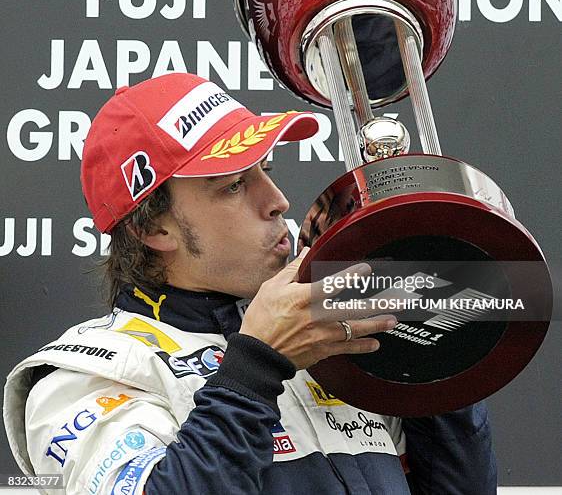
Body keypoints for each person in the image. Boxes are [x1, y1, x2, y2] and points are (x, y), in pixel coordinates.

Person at [3, 73, 497, 494]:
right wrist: (255, 369)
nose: (278, 200)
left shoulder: (330, 340)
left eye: (266, 169)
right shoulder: (84, 375)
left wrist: (437, 366)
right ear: (153, 229)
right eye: (233, 185)